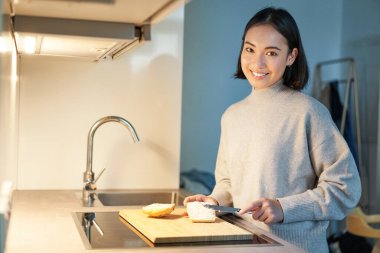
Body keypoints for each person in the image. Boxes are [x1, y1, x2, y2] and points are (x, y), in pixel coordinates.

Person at [183, 7, 361, 253]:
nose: (257, 62)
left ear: (291, 56)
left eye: (271, 52)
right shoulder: (232, 116)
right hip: (243, 246)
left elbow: (346, 189)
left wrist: (283, 207)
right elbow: (228, 182)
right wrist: (214, 201)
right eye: (250, 49)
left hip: (296, 249)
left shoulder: (309, 112)